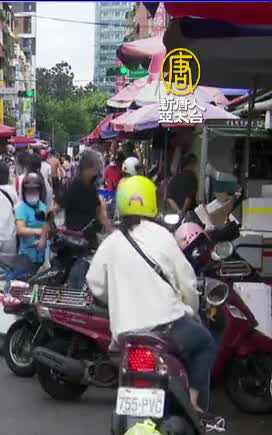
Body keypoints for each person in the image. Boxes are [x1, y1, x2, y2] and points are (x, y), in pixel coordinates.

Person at [86, 175, 216, 416]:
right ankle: (194, 402)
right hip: (167, 328)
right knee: (206, 343)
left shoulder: (111, 242)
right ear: (153, 202)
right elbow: (187, 283)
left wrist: (117, 297)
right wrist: (193, 310)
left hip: (127, 335)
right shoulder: (163, 236)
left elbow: (95, 284)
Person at [56, 149, 112, 233]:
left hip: (86, 234)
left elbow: (100, 214)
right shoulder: (73, 186)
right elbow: (57, 207)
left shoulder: (91, 189)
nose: (97, 173)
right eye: (95, 169)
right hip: (75, 235)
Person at [16, 173, 49, 271]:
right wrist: (39, 231)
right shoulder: (22, 208)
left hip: (41, 256)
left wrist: (45, 235)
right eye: (29, 191)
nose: (32, 193)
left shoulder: (43, 207)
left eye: (34, 190)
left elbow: (47, 226)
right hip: (27, 256)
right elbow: (20, 230)